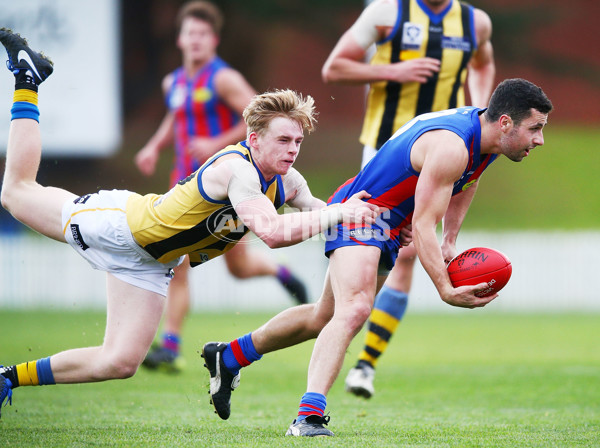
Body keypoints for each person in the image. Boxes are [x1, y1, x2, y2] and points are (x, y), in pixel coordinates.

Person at [0, 29, 380, 418]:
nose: (293, 150)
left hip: (152, 263)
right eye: (284, 140)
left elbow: (330, 218)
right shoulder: (238, 170)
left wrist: (378, 224)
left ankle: (7, 377)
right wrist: (340, 211)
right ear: (254, 138)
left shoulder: (287, 181)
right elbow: (273, 232)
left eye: (298, 142)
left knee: (119, 362)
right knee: (15, 193)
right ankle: (27, 80)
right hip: (120, 226)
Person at [201, 78, 553, 436]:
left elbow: (467, 182)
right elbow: (423, 222)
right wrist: (445, 288)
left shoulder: (486, 138)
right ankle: (308, 417)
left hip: (386, 223)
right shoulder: (454, 145)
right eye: (535, 129)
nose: (540, 139)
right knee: (354, 309)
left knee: (322, 317)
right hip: (361, 211)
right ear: (505, 122)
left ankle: (229, 356)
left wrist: (450, 239)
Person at [321, 0, 496, 398]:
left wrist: (481, 107)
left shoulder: (475, 22)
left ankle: (365, 364)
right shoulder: (386, 13)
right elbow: (334, 68)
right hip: (389, 150)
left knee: (409, 252)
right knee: (368, 270)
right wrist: (391, 71)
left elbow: (484, 65)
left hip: (451, 153)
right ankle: (341, 326)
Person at [134, 1, 309, 373]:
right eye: (189, 33)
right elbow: (175, 116)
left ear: (213, 40)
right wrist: (153, 145)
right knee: (177, 262)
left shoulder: (223, 79)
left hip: (233, 182)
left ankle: (281, 273)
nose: (195, 40)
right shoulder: (174, 82)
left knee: (239, 268)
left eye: (202, 34)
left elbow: (257, 118)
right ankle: (170, 345)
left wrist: (217, 145)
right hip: (186, 183)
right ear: (180, 38)